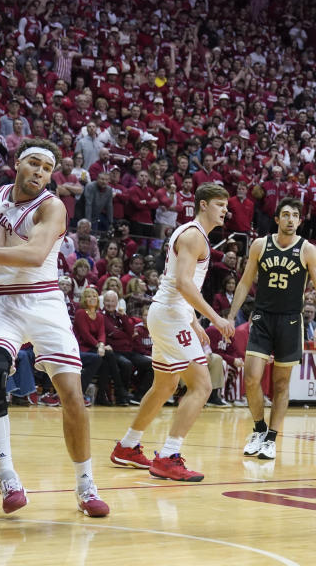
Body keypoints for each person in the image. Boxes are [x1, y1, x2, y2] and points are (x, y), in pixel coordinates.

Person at [0, 138, 109, 517]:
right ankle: (8, 476)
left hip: (45, 301)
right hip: (3, 301)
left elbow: (33, 256)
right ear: (17, 162)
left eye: (47, 169)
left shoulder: (52, 207)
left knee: (73, 398)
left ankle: (86, 485)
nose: (40, 173)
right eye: (34, 164)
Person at [109, 183, 235, 482]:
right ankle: (168, 456)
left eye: (226, 206)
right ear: (203, 205)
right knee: (202, 386)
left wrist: (193, 322)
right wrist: (215, 318)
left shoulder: (191, 234)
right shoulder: (194, 236)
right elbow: (182, 283)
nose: (225, 211)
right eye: (220, 205)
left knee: (165, 385)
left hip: (170, 313)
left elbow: (176, 282)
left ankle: (127, 446)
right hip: (169, 315)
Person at [227, 197, 316, 460]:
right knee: (251, 378)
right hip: (262, 317)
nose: (290, 219)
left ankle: (271, 438)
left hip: (291, 320)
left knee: (281, 384)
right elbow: (244, 282)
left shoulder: (307, 250)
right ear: (277, 219)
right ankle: (259, 429)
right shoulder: (261, 245)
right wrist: (230, 316)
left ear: (299, 220)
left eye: (295, 215)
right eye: (285, 214)